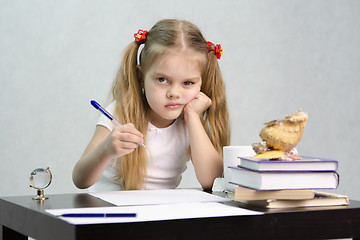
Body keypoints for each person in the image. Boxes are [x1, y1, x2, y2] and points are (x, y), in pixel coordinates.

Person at [72, 19, 230, 192]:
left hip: (158, 214)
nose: (174, 93)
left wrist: (193, 117)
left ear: (201, 84)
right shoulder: (119, 112)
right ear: (141, 78)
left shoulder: (191, 122)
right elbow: (80, 179)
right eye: (162, 80)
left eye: (188, 83)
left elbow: (212, 181)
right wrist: (106, 150)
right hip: (110, 211)